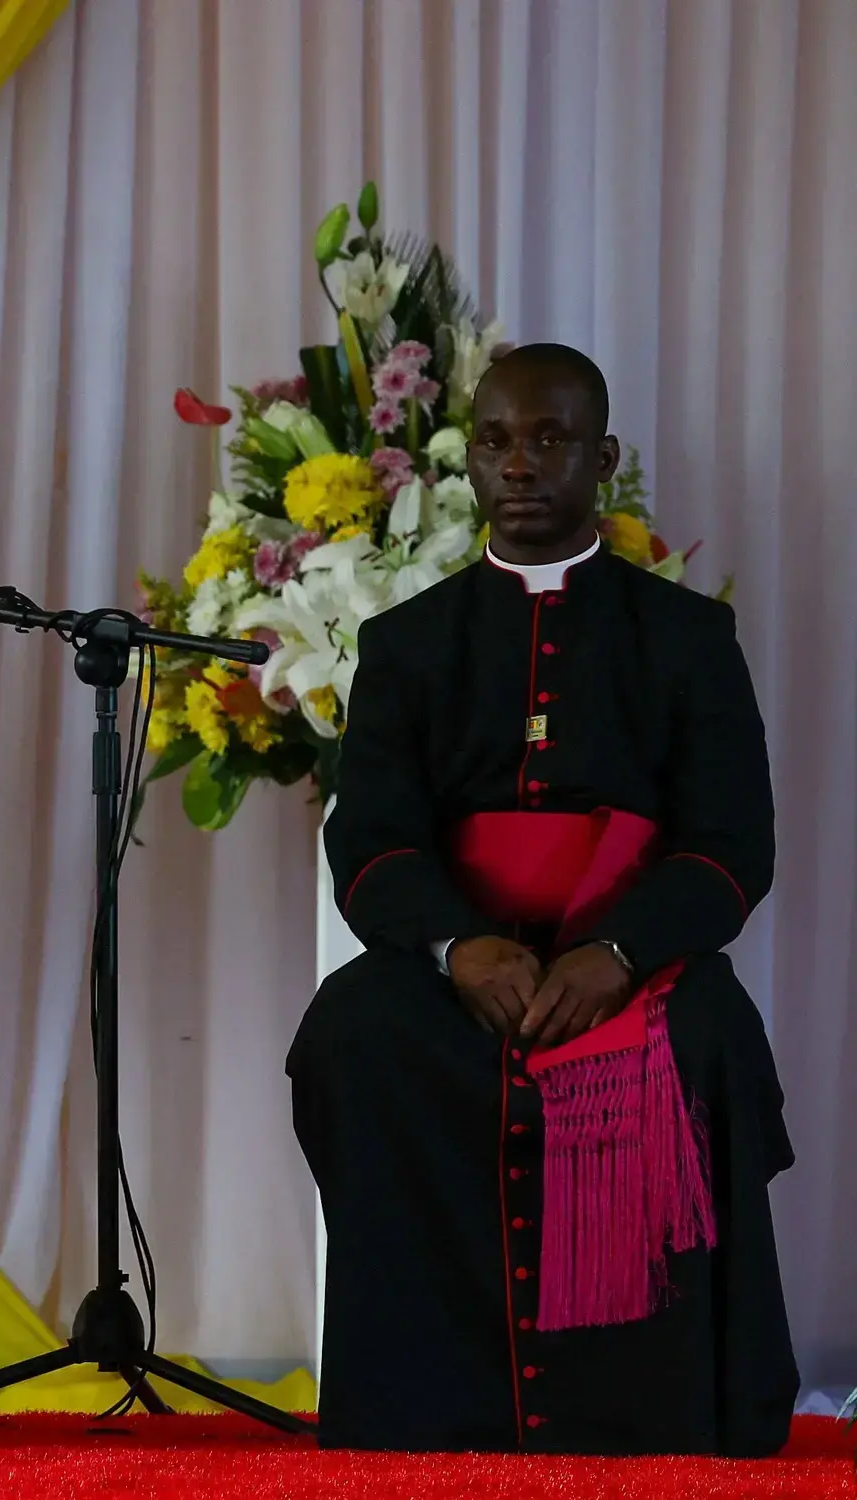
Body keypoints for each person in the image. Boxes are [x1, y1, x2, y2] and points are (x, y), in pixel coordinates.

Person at [287, 344, 797, 1456]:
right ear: (466, 455)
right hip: (459, 967)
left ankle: (656, 1411)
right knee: (353, 1030)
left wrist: (615, 950)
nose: (519, 463)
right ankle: (415, 1403)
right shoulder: (407, 641)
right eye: (495, 440)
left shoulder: (685, 639)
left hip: (628, 963)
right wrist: (455, 946)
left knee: (705, 1033)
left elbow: (729, 845)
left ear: (600, 457)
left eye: (550, 439)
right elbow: (370, 836)